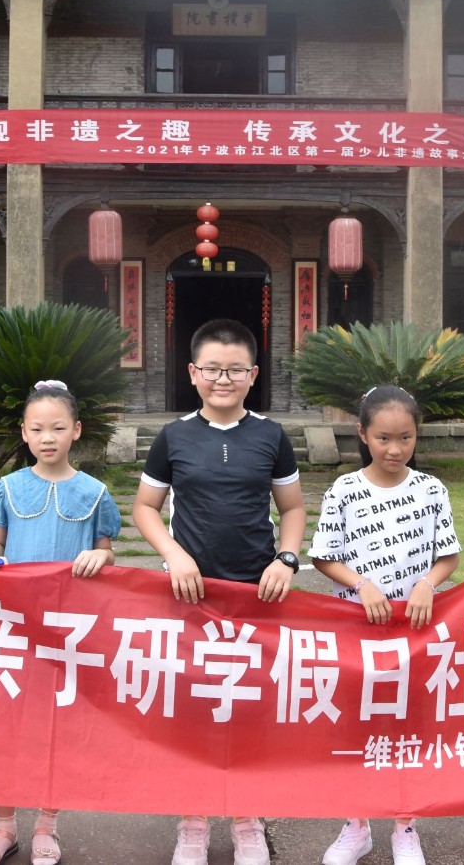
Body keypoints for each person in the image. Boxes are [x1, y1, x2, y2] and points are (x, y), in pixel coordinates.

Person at [131, 318, 307, 865]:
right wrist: (174, 555)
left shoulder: (271, 436)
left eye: (234, 370)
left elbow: (292, 509)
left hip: (256, 595)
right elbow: (145, 508)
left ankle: (247, 818)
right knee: (192, 708)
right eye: (212, 369)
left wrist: (287, 559)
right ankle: (193, 820)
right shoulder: (174, 436)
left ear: (253, 374)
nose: (223, 379)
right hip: (189, 596)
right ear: (193, 373)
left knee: (250, 706)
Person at [0, 379, 122, 865]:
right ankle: (4, 826)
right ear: (24, 433)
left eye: (57, 427)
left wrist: (100, 558)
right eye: (37, 429)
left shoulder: (95, 493)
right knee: (5, 726)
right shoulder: (9, 488)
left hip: (67, 631)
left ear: (77, 430)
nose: (47, 437)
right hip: (12, 625)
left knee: (55, 728)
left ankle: (46, 826)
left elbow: (107, 553)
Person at [308, 386, 460, 865]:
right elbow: (324, 555)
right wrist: (361, 585)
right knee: (356, 726)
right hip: (357, 628)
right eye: (384, 438)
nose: (395, 449)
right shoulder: (344, 490)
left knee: (409, 725)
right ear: (362, 434)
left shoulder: (431, 489)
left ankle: (405, 826)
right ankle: (356, 825)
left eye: (406, 438)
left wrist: (428, 584)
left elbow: (448, 554)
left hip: (414, 630)